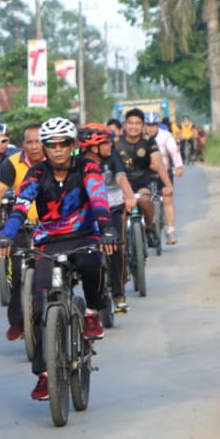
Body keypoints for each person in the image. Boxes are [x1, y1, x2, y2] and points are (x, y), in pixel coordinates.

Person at [0, 117, 116, 401]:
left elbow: (98, 199)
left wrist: (107, 227)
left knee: (91, 263)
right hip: (47, 241)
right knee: (37, 306)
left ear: (73, 145)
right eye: (51, 144)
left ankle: (91, 312)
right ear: (45, 148)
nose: (58, 150)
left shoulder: (87, 168)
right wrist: (7, 234)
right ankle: (44, 374)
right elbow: (21, 205)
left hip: (84, 235)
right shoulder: (36, 174)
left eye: (63, 144)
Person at [0, 122, 43, 341]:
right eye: (30, 142)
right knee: (18, 274)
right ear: (23, 145)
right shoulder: (12, 163)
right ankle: (18, 321)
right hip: (21, 224)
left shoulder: (54, 161)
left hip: (49, 226)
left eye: (38, 141)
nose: (35, 146)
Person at [78, 124, 135, 314]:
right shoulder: (77, 163)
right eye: (106, 142)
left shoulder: (113, 157)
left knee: (116, 248)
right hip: (88, 214)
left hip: (112, 208)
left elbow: (121, 178)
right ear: (93, 147)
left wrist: (129, 195)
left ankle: (118, 295)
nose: (110, 145)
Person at [113, 108, 173, 248]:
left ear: (143, 125)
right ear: (124, 124)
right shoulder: (115, 142)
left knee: (145, 199)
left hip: (141, 181)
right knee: (120, 213)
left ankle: (150, 229)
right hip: (121, 185)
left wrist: (168, 185)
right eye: (130, 123)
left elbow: (158, 164)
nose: (133, 127)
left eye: (137, 123)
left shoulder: (148, 141)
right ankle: (120, 248)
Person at [143, 111, 183, 244]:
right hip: (145, 174)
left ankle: (170, 231)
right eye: (148, 125)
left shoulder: (166, 136)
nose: (151, 128)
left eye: (153, 125)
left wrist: (179, 167)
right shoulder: (140, 137)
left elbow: (174, 152)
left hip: (164, 173)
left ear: (158, 125)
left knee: (167, 198)